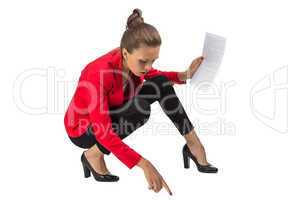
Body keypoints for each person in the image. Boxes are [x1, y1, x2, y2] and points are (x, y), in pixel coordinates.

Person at [64, 8, 217, 195]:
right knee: (140, 111)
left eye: (153, 61)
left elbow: (156, 76)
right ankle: (92, 155)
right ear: (125, 53)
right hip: (83, 129)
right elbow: (104, 132)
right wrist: (144, 164)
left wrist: (185, 74)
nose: (148, 67)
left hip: (114, 109)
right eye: (144, 61)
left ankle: (194, 145)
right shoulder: (97, 74)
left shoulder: (132, 61)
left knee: (160, 83)